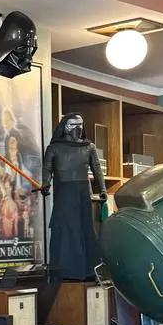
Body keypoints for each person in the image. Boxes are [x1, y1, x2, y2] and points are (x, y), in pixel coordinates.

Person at [41, 113, 106, 281]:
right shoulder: (54, 148)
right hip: (64, 193)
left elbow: (97, 169)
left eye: (80, 124)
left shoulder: (89, 147)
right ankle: (64, 271)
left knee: (84, 228)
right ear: (64, 127)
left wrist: (103, 189)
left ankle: (87, 271)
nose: (77, 128)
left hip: (82, 192)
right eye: (72, 125)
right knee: (64, 228)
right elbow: (47, 169)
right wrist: (45, 183)